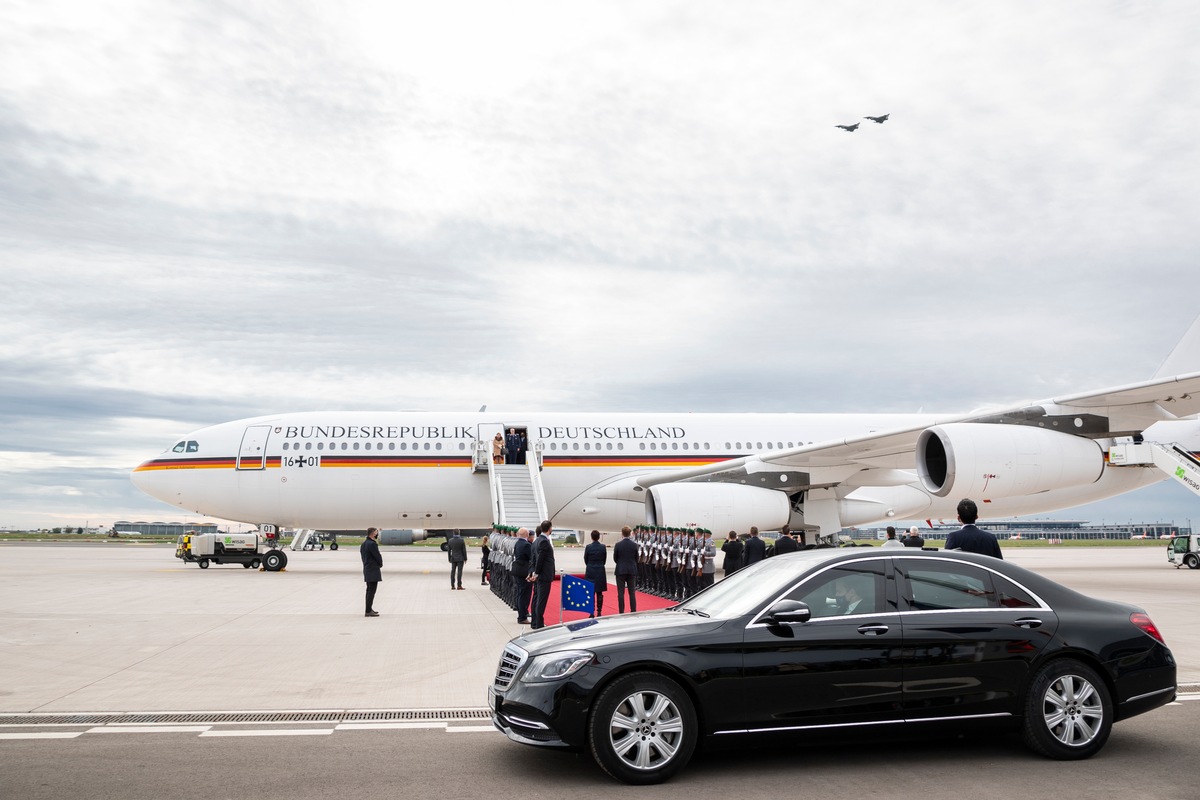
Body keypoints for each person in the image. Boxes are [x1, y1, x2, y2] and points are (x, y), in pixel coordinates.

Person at [529, 520, 556, 628]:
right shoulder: (544, 541)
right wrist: (537, 573)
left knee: (536, 599)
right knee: (541, 601)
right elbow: (540, 559)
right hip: (543, 575)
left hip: (539, 575)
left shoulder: (536, 541)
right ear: (549, 529)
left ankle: (534, 622)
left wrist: (532, 572)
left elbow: (533, 559)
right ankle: (539, 624)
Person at [613, 525, 639, 613]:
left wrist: (620, 563)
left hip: (620, 569)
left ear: (622, 534)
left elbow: (615, 558)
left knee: (621, 593)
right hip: (631, 570)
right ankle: (633, 610)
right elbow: (637, 558)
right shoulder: (634, 545)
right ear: (630, 534)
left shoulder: (618, 545)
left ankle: (621, 611)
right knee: (632, 592)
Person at [583, 530, 608, 617]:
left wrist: (590, 565)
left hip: (590, 570)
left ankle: (591, 612)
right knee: (599, 592)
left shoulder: (588, 547)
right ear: (599, 537)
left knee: (591, 592)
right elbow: (604, 560)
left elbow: (585, 559)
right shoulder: (603, 547)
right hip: (600, 570)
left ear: (591, 537)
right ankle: (599, 611)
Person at [512, 527, 533, 623]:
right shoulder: (526, 545)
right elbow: (531, 558)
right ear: (527, 535)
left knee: (521, 593)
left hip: (517, 570)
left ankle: (523, 613)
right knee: (524, 594)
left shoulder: (518, 543)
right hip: (524, 571)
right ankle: (522, 617)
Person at [360, 526, 382, 617]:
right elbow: (377, 556)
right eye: (376, 532)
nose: (377, 533)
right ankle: (368, 611)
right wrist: (380, 564)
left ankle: (369, 609)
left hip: (367, 568)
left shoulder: (364, 544)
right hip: (373, 570)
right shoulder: (372, 544)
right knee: (372, 591)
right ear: (373, 533)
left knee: (369, 590)